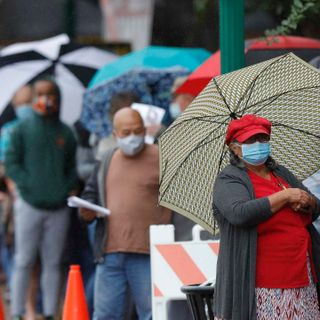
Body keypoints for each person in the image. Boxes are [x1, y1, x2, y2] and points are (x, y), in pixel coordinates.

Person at [213, 114, 320, 320]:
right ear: (235, 148)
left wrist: (306, 201)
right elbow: (240, 213)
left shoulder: (280, 173)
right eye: (251, 141)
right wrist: (285, 195)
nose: (258, 145)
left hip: (300, 273)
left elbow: (315, 207)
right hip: (264, 281)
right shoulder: (230, 179)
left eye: (263, 139)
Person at [80, 107, 171, 320]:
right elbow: (91, 194)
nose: (132, 137)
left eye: (137, 131)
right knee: (105, 314)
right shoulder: (106, 159)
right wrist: (87, 211)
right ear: (115, 135)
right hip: (111, 251)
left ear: (145, 130)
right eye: (126, 133)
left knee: (152, 313)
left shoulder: (161, 156)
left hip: (149, 253)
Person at [4, 77, 78, 320]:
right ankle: (17, 311)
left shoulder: (65, 132)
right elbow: (11, 163)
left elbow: (71, 169)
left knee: (53, 262)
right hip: (29, 205)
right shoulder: (21, 129)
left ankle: (48, 313)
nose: (45, 100)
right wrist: (26, 187)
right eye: (41, 94)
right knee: (23, 260)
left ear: (58, 98)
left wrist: (64, 188)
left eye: (51, 95)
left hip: (57, 208)